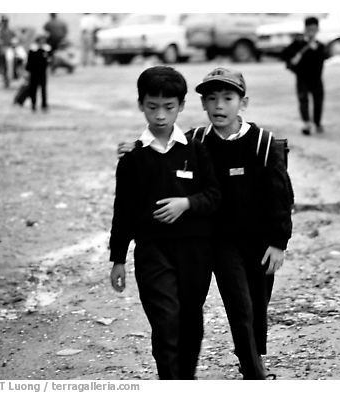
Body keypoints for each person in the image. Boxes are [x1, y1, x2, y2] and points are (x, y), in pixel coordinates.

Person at [118, 67, 294, 379]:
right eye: (211, 99)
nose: (219, 106)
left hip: (257, 241)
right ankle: (253, 372)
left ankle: (254, 358)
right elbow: (163, 150)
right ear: (201, 104)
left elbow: (282, 198)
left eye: (228, 98)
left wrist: (279, 242)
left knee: (256, 304)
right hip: (216, 240)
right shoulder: (197, 140)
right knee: (238, 306)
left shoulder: (263, 144)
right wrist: (134, 149)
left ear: (243, 102)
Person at [108, 66, 221, 380]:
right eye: (152, 106)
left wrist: (187, 203)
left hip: (195, 250)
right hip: (152, 251)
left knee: (189, 319)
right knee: (165, 319)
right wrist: (118, 258)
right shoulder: (133, 157)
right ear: (140, 104)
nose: (160, 115)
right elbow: (124, 210)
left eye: (169, 107)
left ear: (181, 106)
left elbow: (214, 196)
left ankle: (187, 378)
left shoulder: (197, 150)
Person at [282, 16, 328, 136]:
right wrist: (294, 60)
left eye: (314, 29)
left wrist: (316, 50)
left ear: (318, 29)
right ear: (305, 29)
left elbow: (323, 59)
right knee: (303, 100)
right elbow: (286, 54)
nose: (312, 32)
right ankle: (307, 123)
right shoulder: (298, 44)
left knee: (318, 101)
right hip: (302, 77)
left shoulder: (320, 46)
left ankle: (317, 123)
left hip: (317, 79)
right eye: (309, 29)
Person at [25, 35, 51, 112]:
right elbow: (29, 62)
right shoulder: (33, 50)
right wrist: (27, 72)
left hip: (42, 72)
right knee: (33, 89)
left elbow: (49, 60)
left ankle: (44, 104)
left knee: (43, 89)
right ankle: (33, 104)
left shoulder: (46, 49)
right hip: (34, 72)